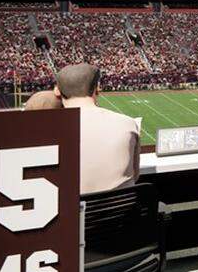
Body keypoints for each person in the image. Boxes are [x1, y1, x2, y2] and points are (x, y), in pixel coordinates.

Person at [54, 63, 141, 195]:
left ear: (57, 91)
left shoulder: (46, 129)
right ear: (97, 88)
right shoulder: (128, 123)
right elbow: (135, 175)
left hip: (71, 207)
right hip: (121, 206)